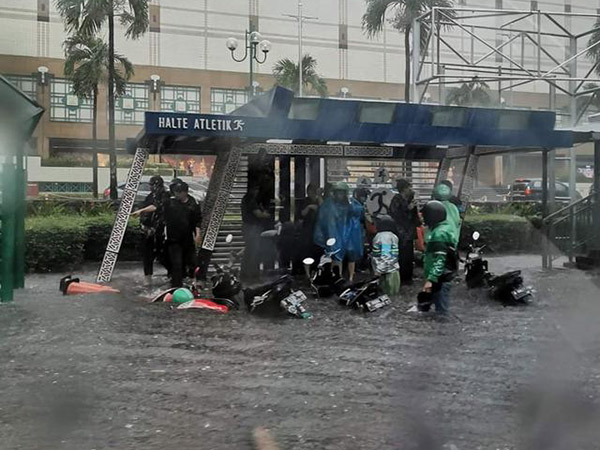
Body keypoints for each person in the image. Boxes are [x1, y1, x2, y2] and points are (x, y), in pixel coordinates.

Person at [421, 200, 458, 316]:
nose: (423, 219)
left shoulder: (439, 234)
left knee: (441, 313)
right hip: (443, 277)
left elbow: (439, 260)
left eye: (425, 216)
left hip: (440, 278)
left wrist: (430, 280)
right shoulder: (445, 229)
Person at [163, 181, 203, 288]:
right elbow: (160, 212)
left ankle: (192, 282)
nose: (176, 195)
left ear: (184, 193)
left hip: (187, 238)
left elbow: (197, 221)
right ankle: (176, 285)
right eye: (175, 192)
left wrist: (197, 235)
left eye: (178, 192)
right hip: (173, 239)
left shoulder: (193, 204)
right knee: (176, 263)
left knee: (192, 262)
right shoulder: (170, 203)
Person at [132, 176, 170, 282]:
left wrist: (141, 211)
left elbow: (155, 207)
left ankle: (173, 274)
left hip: (161, 230)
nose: (151, 187)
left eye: (152, 185)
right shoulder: (149, 196)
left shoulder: (164, 195)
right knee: (147, 255)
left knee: (162, 255)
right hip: (149, 231)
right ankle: (148, 277)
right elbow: (146, 209)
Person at [313, 182, 351, 274]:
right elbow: (325, 218)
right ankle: (335, 276)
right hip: (331, 234)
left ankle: (338, 275)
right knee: (334, 255)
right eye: (338, 193)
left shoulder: (348, 205)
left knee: (338, 256)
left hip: (342, 234)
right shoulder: (329, 204)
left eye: (342, 193)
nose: (340, 195)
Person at [390, 178, 420, 284]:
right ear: (403, 189)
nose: (410, 189)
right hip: (401, 231)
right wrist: (408, 208)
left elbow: (414, 216)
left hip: (409, 231)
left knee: (409, 255)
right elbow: (395, 214)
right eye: (408, 187)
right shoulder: (396, 199)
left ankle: (409, 276)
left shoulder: (409, 199)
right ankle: (402, 277)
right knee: (402, 255)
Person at [241, 184, 271, 280]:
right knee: (253, 251)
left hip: (249, 227)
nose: (257, 192)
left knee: (249, 250)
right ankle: (251, 274)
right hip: (251, 227)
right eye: (256, 189)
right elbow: (258, 214)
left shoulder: (247, 198)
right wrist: (266, 215)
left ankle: (246, 273)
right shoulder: (250, 199)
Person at [371, 215, 400, 296]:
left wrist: (379, 271)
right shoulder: (392, 235)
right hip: (392, 271)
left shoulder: (383, 237)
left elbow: (386, 255)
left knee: (386, 297)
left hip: (387, 274)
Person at [346, 188, 368, 281]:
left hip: (349, 230)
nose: (365, 199)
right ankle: (355, 269)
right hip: (356, 230)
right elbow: (363, 218)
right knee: (355, 250)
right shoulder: (359, 207)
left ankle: (352, 270)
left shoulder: (351, 204)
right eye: (364, 197)